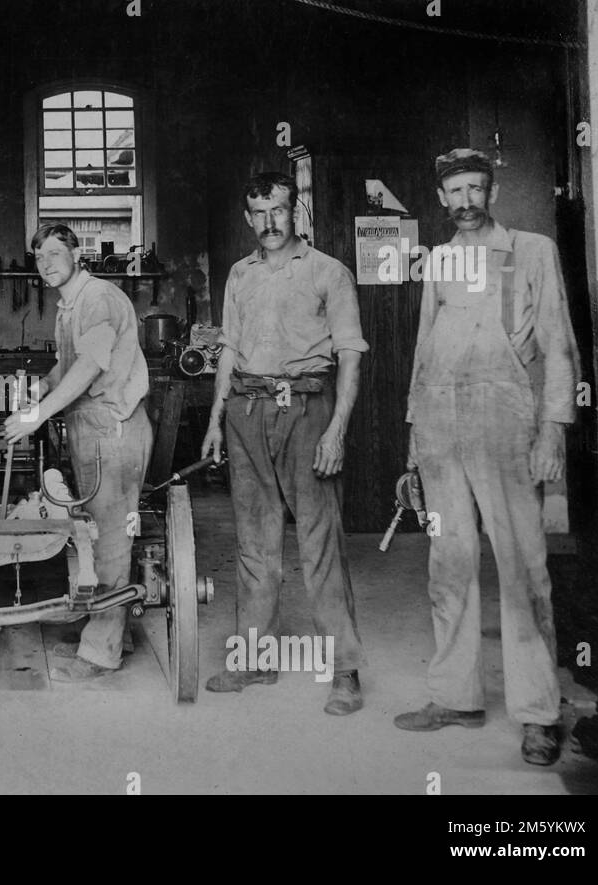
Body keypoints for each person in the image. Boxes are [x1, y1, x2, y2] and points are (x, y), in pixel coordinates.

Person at [395, 149, 581, 766]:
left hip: (505, 423)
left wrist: (553, 428)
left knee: (524, 569)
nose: (466, 200)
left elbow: (557, 344)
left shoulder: (531, 251)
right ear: (441, 199)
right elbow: (424, 350)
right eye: (455, 191)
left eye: (476, 187)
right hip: (441, 431)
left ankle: (538, 714)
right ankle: (456, 695)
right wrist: (414, 442)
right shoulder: (439, 260)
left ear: (492, 192)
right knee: (448, 563)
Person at [200, 172, 368, 715]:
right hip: (246, 411)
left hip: (307, 409)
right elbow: (228, 349)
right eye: (258, 212)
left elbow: (350, 355)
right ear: (247, 218)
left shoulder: (328, 272)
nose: (269, 222)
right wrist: (213, 420)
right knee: (254, 543)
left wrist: (336, 429)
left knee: (320, 544)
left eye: (278, 210)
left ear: (296, 211)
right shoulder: (239, 275)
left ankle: (345, 670)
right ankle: (256, 658)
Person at [2, 222, 152, 681]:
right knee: (99, 531)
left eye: (54, 253)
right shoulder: (69, 306)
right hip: (89, 428)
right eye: (39, 257)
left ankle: (101, 653)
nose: (45, 264)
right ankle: (112, 629)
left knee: (109, 538)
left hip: (113, 429)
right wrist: (41, 386)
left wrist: (37, 414)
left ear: (76, 254)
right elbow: (67, 365)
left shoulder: (99, 298)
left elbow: (89, 367)